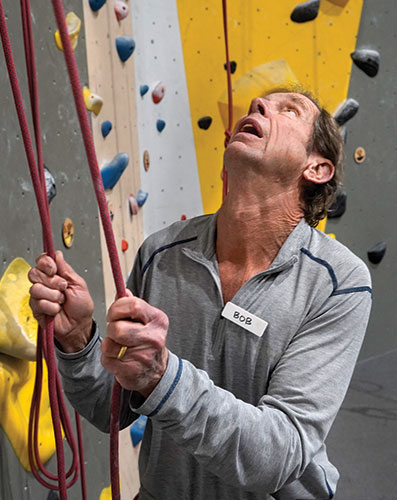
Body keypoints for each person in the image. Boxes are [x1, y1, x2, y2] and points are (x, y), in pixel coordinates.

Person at [28, 89, 372, 499]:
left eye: (289, 110)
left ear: (317, 168)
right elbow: (110, 408)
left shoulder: (338, 283)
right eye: (259, 104)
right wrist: (78, 339)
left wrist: (162, 377)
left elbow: (278, 456)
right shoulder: (162, 254)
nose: (259, 106)